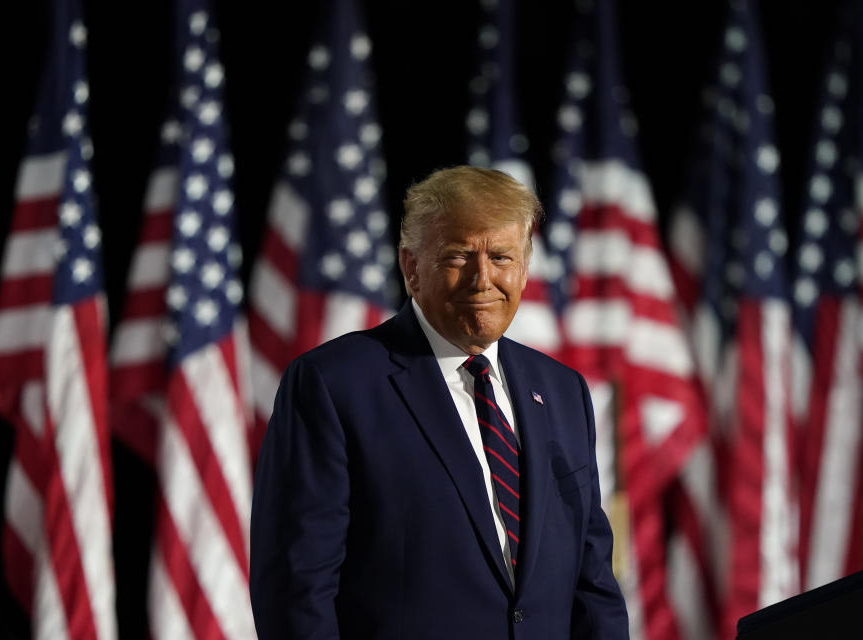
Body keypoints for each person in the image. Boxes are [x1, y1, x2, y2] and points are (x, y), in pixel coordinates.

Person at [250, 166, 629, 639]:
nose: (483, 279)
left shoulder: (561, 391)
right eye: (458, 256)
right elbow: (297, 591)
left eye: (502, 257)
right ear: (411, 267)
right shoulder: (333, 385)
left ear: (526, 267)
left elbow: (593, 584)